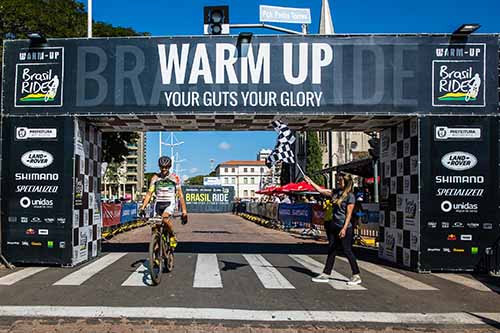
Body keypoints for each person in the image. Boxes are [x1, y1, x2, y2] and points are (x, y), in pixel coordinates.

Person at [304, 173, 362, 285]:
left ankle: (356, 275)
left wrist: (344, 229)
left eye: (340, 180)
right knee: (331, 249)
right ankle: (326, 273)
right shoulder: (335, 192)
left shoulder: (350, 196)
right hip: (333, 225)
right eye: (338, 180)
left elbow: (349, 214)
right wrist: (310, 182)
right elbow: (321, 191)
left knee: (347, 250)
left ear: (346, 182)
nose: (338, 182)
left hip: (345, 227)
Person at [139, 156, 188, 248]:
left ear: (169, 167)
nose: (164, 169)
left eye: (166, 167)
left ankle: (172, 235)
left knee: (165, 218)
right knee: (154, 227)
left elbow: (180, 195)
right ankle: (156, 251)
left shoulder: (174, 178)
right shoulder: (155, 178)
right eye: (162, 167)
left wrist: (184, 211)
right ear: (159, 167)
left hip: (169, 203)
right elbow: (149, 193)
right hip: (158, 203)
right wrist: (143, 207)